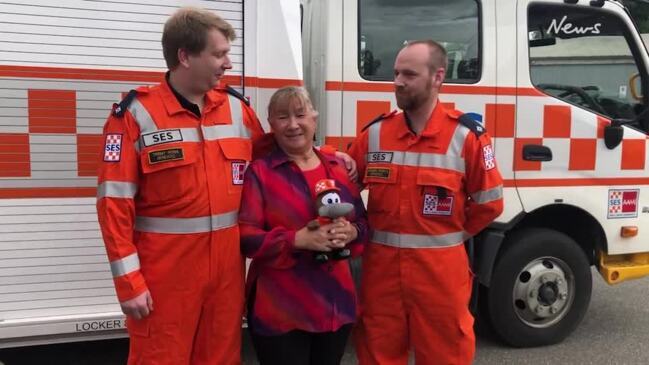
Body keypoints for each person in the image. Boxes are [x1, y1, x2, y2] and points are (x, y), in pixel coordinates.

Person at [97, 8, 271, 364]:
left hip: (225, 275)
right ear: (185, 57)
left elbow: (275, 168)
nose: (228, 63)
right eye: (219, 54)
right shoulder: (135, 115)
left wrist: (330, 159)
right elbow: (114, 205)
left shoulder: (238, 111)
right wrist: (129, 283)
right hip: (165, 278)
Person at [349, 40, 504, 364]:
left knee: (445, 353)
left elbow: (490, 203)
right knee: (377, 352)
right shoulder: (375, 134)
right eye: (395, 73)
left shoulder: (466, 137)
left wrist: (450, 237)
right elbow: (344, 186)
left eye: (409, 74)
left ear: (437, 77)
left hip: (440, 274)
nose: (398, 82)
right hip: (382, 274)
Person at [239, 86, 368, 365]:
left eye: (300, 114)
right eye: (283, 117)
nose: (293, 124)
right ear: (271, 124)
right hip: (280, 309)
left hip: (335, 304)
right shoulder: (259, 173)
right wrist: (296, 240)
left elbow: (364, 224)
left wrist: (352, 232)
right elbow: (245, 238)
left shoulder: (338, 167)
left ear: (314, 118)